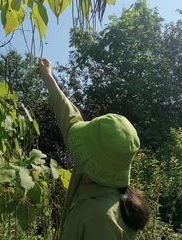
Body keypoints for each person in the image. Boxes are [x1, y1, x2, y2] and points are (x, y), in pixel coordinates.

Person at [37, 57, 150, 240]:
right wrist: (48, 76)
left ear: (92, 160)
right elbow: (70, 118)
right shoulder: (98, 184)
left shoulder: (101, 219)